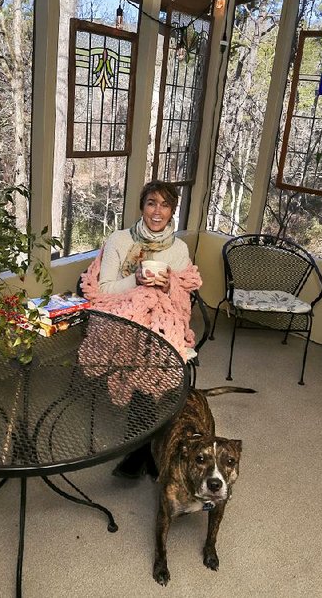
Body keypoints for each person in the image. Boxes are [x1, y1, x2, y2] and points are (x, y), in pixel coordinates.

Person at [78, 181, 202, 478]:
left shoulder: (179, 249)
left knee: (151, 348)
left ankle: (139, 446)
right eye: (151, 203)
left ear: (172, 211)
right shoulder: (119, 240)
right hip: (119, 317)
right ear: (141, 206)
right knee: (146, 349)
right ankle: (143, 447)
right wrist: (138, 280)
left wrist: (169, 285)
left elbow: (183, 299)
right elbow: (102, 291)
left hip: (157, 324)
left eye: (164, 205)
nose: (157, 211)